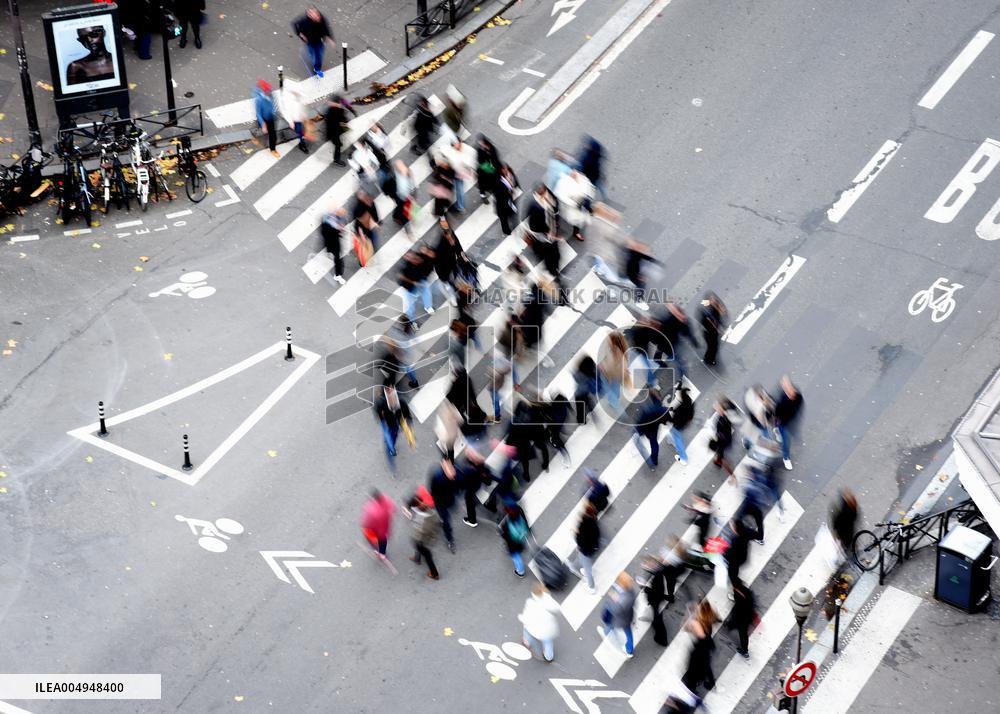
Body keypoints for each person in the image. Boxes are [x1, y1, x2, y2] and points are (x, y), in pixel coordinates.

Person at [681, 600, 718, 697]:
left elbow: (684, 627)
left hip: (699, 651)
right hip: (706, 648)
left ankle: (691, 690)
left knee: (694, 670)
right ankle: (710, 683)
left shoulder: (696, 623)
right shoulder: (708, 621)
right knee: (706, 666)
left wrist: (688, 613)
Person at [374, 384, 412, 473]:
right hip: (388, 426)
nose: (393, 401)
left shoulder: (401, 402)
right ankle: (392, 464)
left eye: (394, 397)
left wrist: (408, 428)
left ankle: (392, 446)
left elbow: (407, 415)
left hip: (396, 424)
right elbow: (378, 413)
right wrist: (382, 419)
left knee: (394, 436)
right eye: (390, 398)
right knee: (389, 444)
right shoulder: (382, 404)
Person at [598, 572, 638, 657]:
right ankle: (629, 649)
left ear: (622, 584)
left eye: (619, 581)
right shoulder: (630, 590)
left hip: (621, 619)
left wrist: (614, 599)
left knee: (612, 623)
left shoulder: (625, 598)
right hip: (627, 616)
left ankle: (629, 650)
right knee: (627, 631)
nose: (617, 582)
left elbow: (617, 610)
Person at [519, 584, 560, 662]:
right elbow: (557, 609)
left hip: (535, 628)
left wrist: (522, 619)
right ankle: (549, 657)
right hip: (548, 629)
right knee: (548, 642)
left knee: (527, 631)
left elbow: (526, 618)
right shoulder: (550, 602)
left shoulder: (531, 603)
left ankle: (527, 642)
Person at [405, 494, 441, 580]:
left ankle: (434, 574)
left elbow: (421, 533)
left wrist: (416, 537)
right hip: (426, 536)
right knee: (418, 546)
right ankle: (417, 558)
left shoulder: (423, 520)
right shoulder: (429, 510)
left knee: (427, 555)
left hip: (424, 540)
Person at [632, 389, 669, 470]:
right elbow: (665, 421)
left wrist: (637, 430)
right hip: (653, 429)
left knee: (639, 441)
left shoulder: (648, 410)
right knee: (654, 444)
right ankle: (654, 461)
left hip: (644, 428)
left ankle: (651, 461)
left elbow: (641, 421)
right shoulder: (661, 409)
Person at [428, 457, 459, 553]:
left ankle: (443, 522)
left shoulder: (454, 474)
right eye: (450, 473)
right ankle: (450, 540)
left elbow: (456, 485)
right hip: (440, 503)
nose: (453, 475)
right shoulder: (437, 477)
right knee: (446, 521)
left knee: (448, 514)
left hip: (449, 499)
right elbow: (432, 490)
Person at [773, 374, 804, 470]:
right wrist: (778, 420)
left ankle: (777, 430)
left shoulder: (797, 394)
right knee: (786, 442)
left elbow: (800, 403)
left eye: (789, 386)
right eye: (785, 386)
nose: (788, 389)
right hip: (783, 422)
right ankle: (786, 458)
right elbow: (777, 411)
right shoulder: (782, 399)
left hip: (790, 420)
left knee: (790, 433)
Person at [554, 168, 594, 241]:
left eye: (576, 171)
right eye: (573, 172)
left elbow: (588, 187)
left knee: (579, 220)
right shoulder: (564, 182)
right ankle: (557, 223)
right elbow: (562, 196)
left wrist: (586, 196)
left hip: (582, 203)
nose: (575, 173)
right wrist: (574, 203)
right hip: (572, 206)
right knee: (574, 219)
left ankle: (576, 232)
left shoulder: (582, 178)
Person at [294, 5, 334, 78]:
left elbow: (326, 28)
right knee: (314, 56)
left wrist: (329, 37)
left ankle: (317, 67)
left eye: (317, 14)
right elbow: (294, 24)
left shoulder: (321, 18)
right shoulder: (304, 21)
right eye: (314, 15)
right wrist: (300, 34)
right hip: (310, 42)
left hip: (320, 41)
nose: (317, 17)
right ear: (309, 15)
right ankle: (316, 68)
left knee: (320, 55)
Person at [569, 502, 600, 594]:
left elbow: (580, 540)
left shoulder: (584, 525)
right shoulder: (594, 521)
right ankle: (580, 568)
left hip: (585, 549)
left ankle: (592, 587)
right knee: (584, 561)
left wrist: (576, 532)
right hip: (592, 548)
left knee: (588, 569)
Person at [640, 554, 671, 646]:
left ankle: (662, 639)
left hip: (656, 600)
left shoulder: (657, 575)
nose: (646, 566)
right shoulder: (658, 570)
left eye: (647, 564)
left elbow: (656, 590)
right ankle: (660, 635)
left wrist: (645, 588)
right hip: (657, 598)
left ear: (652, 564)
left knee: (658, 620)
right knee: (657, 618)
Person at [361, 488, 395, 560]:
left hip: (374, 530)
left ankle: (377, 551)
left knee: (374, 542)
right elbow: (393, 508)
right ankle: (382, 554)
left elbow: (366, 522)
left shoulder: (370, 509)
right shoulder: (386, 499)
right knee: (383, 542)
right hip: (384, 530)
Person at [443, 137, 476, 213]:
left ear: (460, 142)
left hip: (458, 173)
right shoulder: (454, 150)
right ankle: (457, 205)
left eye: (455, 144)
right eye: (453, 145)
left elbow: (469, 161)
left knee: (458, 189)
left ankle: (460, 206)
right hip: (454, 172)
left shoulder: (466, 150)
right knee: (453, 188)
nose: (455, 146)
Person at [499, 503, 531, 577]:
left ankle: (520, 572)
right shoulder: (520, 513)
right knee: (518, 550)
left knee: (516, 557)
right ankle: (521, 549)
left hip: (513, 544)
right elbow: (526, 524)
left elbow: (504, 535)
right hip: (520, 539)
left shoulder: (507, 524)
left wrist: (501, 532)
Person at [667, 380, 694, 464]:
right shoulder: (689, 402)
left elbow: (675, 418)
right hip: (683, 424)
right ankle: (671, 440)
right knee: (673, 433)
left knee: (678, 439)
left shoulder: (681, 409)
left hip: (678, 425)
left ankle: (683, 458)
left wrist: (670, 415)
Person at [326, 95, 357, 166]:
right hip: (334, 132)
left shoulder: (334, 110)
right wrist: (345, 124)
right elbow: (340, 121)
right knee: (338, 145)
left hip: (336, 130)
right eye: (339, 103)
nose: (340, 104)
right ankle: (336, 159)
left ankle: (340, 146)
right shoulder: (335, 111)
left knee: (340, 141)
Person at [709, 398, 736, 479]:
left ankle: (732, 475)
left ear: (722, 410)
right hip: (723, 440)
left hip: (722, 442)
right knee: (720, 454)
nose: (715, 407)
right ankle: (718, 460)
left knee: (722, 457)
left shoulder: (723, 420)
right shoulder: (724, 417)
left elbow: (723, 433)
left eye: (718, 406)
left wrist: (717, 435)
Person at [320, 204, 348, 285]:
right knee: (338, 259)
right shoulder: (327, 222)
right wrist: (339, 230)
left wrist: (340, 228)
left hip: (333, 241)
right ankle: (337, 275)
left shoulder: (332, 217)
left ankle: (337, 274)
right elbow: (326, 233)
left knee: (336, 256)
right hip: (332, 242)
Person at [728, 582, 755, 658]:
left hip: (742, 619)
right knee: (743, 633)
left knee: (742, 633)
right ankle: (730, 625)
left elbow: (737, 608)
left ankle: (745, 651)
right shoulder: (747, 593)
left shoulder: (740, 597)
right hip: (746, 618)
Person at [699, 292, 727, 366]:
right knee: (712, 347)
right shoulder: (707, 310)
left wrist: (721, 326)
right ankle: (708, 359)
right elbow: (704, 321)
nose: (714, 301)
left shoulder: (714, 308)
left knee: (714, 347)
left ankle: (709, 358)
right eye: (712, 300)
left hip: (713, 332)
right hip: (709, 333)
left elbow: (719, 318)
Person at [253, 80, 279, 156]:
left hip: (270, 117)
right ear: (264, 91)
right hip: (263, 118)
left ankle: (273, 149)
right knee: (261, 127)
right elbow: (258, 113)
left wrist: (273, 112)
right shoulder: (259, 100)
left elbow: (273, 104)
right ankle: (256, 135)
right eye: (268, 91)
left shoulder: (271, 95)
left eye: (270, 90)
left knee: (273, 135)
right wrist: (263, 124)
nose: (270, 92)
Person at [577, 135, 607, 201]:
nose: (585, 145)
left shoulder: (587, 158)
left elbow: (583, 168)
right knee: (601, 186)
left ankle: (591, 200)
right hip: (596, 175)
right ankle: (605, 197)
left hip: (591, 177)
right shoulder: (596, 152)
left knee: (591, 190)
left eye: (587, 145)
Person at [830, 488, 859, 555]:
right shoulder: (849, 508)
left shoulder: (846, 509)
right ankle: (849, 548)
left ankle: (847, 550)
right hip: (846, 529)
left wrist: (835, 530)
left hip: (845, 529)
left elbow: (837, 520)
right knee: (847, 540)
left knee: (846, 541)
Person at [495, 163, 520, 237]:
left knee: (511, 213)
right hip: (502, 204)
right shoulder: (499, 181)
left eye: (506, 169)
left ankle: (512, 218)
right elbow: (499, 195)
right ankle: (506, 231)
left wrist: (515, 187)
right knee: (503, 219)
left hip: (509, 199)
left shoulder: (510, 174)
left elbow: (515, 180)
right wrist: (508, 192)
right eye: (504, 169)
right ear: (501, 170)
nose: (506, 170)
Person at [282, 88, 311, 153]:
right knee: (300, 131)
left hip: (301, 118)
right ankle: (302, 144)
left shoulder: (299, 97)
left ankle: (302, 141)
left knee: (302, 131)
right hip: (296, 119)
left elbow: (304, 100)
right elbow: (286, 111)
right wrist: (290, 121)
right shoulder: (289, 100)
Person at [476, 135, 501, 203]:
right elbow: (480, 161)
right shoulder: (480, 150)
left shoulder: (492, 148)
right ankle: (483, 195)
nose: (481, 145)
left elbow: (496, 158)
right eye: (480, 143)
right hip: (484, 171)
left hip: (494, 170)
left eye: (482, 143)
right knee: (482, 184)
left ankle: (497, 195)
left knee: (495, 183)